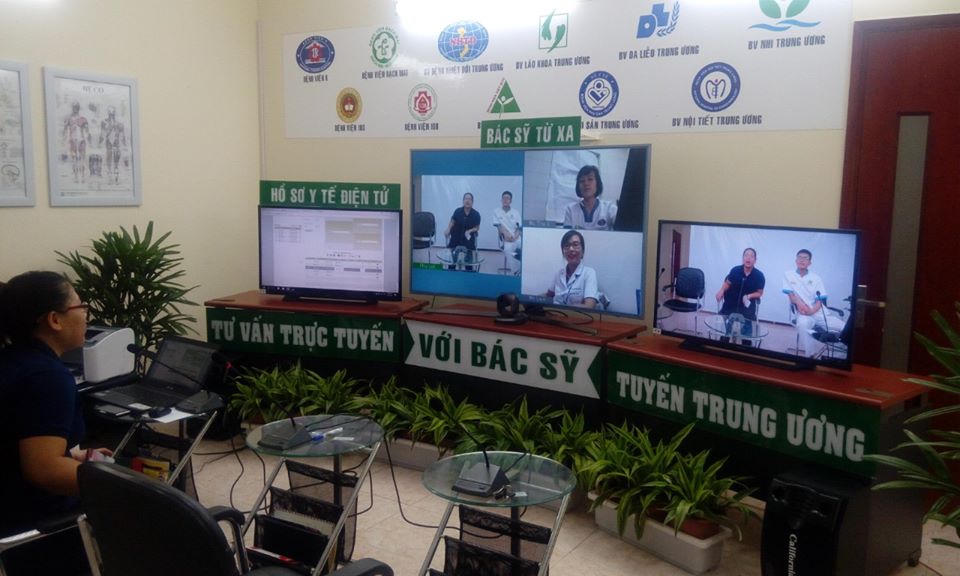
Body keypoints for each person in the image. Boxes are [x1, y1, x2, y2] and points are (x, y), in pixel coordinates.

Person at [0, 271, 112, 573]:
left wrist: (71, 458)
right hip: (35, 527)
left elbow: (19, 442)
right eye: (81, 306)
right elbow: (44, 470)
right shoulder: (47, 377)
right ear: (54, 319)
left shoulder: (13, 360)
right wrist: (117, 483)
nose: (86, 314)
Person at [783, 249, 847, 357]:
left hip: (818, 312)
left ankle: (840, 356)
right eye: (799, 257)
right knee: (803, 324)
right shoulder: (788, 275)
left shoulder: (816, 278)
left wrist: (812, 310)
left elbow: (820, 299)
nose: (802, 260)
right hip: (802, 312)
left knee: (846, 329)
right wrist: (801, 305)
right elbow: (791, 296)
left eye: (805, 258)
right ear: (796, 260)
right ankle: (810, 356)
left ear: (810, 263)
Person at [715, 248, 765, 342]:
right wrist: (721, 290)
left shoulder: (759, 276)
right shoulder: (735, 270)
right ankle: (724, 340)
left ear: (755, 260)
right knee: (724, 336)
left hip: (747, 309)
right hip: (730, 305)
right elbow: (727, 283)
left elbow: (760, 293)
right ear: (743, 258)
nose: (748, 258)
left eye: (751, 256)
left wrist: (749, 296)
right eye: (746, 255)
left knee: (746, 340)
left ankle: (746, 343)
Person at [546, 230, 599, 308]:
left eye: (575, 245)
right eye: (567, 245)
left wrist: (562, 308)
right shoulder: (559, 273)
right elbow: (548, 295)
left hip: (574, 315)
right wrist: (531, 300)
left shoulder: (589, 273)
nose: (571, 249)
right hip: (554, 313)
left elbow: (589, 305)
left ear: (583, 251)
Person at [563, 165, 617, 230]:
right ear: (578, 186)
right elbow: (567, 235)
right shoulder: (570, 210)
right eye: (582, 181)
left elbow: (623, 230)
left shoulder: (609, 208)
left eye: (590, 179)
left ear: (597, 183)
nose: (586, 183)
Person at [443, 192, 481, 269]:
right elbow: (452, 221)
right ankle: (451, 269)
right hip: (456, 238)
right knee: (452, 262)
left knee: (469, 264)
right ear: (463, 201)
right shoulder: (457, 211)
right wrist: (448, 229)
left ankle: (469, 270)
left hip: (468, 240)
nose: (467, 201)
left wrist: (470, 230)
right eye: (466, 199)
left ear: (472, 202)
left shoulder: (476, 214)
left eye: (469, 199)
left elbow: (477, 227)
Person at [62, 101, 91, 184]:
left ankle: (82, 176)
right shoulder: (68, 118)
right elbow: (64, 130)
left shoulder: (83, 119)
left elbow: (87, 131)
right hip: (73, 140)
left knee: (82, 159)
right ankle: (75, 177)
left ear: (78, 108)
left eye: (77, 107)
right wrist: (63, 141)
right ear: (72, 108)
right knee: (74, 159)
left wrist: (89, 139)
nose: (75, 109)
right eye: (74, 107)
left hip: (81, 140)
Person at [492, 190, 521, 272]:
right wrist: (507, 236)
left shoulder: (516, 212)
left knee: (524, 247)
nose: (505, 200)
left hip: (516, 236)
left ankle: (522, 268)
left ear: (510, 201)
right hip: (504, 237)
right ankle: (516, 271)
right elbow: (499, 227)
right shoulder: (496, 211)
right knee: (508, 249)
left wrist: (515, 237)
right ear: (501, 200)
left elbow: (519, 228)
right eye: (503, 198)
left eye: (507, 198)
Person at [99, 105, 126, 184]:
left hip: (116, 144)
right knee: (109, 160)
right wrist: (99, 142)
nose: (111, 115)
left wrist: (124, 145)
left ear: (114, 113)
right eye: (110, 113)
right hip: (109, 144)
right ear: (108, 113)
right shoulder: (104, 122)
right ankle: (110, 178)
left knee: (116, 162)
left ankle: (115, 178)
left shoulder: (119, 124)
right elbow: (102, 134)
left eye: (112, 113)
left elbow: (122, 136)